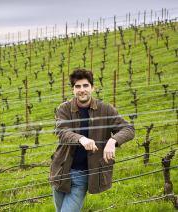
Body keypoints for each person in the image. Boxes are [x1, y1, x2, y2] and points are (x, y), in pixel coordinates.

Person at [49, 68, 135, 212]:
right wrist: (81, 139)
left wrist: (113, 141)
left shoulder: (105, 109)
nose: (82, 90)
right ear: (73, 90)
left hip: (83, 174)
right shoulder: (64, 109)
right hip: (61, 170)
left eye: (85, 85)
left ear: (92, 88)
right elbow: (62, 131)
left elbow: (129, 129)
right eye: (77, 86)